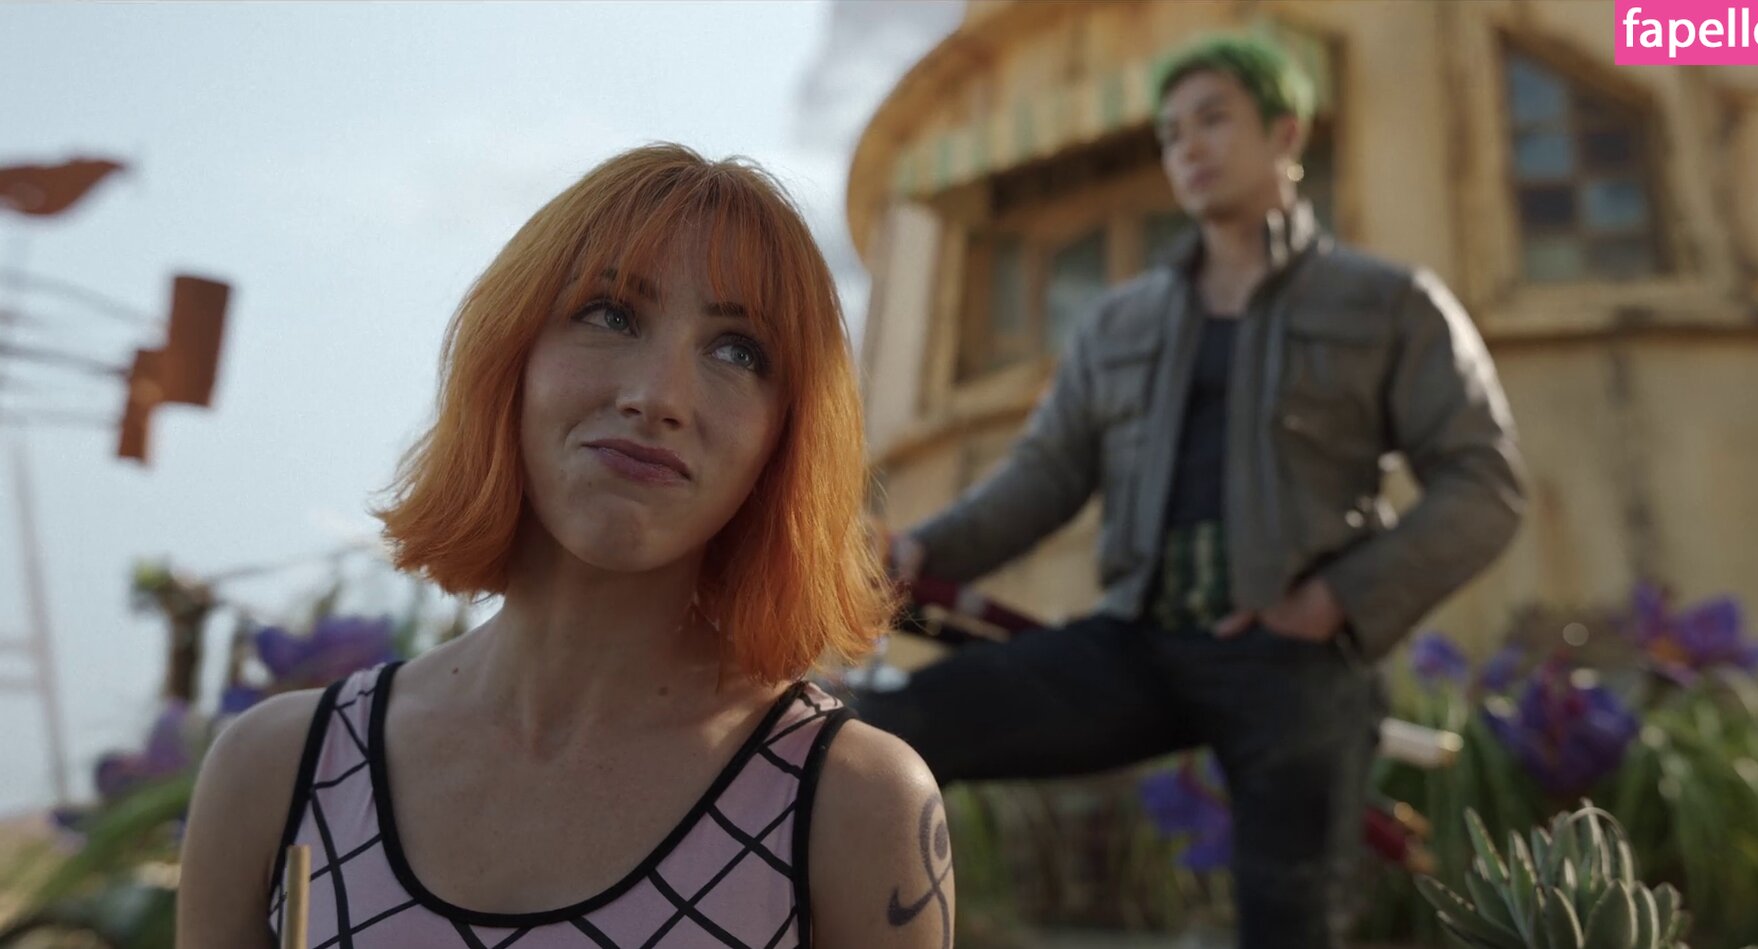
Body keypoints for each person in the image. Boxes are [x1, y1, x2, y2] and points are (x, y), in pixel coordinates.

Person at [178, 144, 954, 949]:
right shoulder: (277, 774)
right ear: (509, 356)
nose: (657, 396)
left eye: (737, 350)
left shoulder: (854, 808)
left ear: (784, 439)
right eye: (611, 315)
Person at [862, 34, 1525, 949]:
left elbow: (1484, 483)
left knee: (1287, 924)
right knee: (881, 733)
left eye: (1213, 120)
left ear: (1284, 133)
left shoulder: (1389, 302)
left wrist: (1335, 599)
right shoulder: (1118, 320)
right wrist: (922, 551)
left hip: (1295, 665)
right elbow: (1044, 474)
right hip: (1134, 643)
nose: (1188, 148)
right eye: (1171, 134)